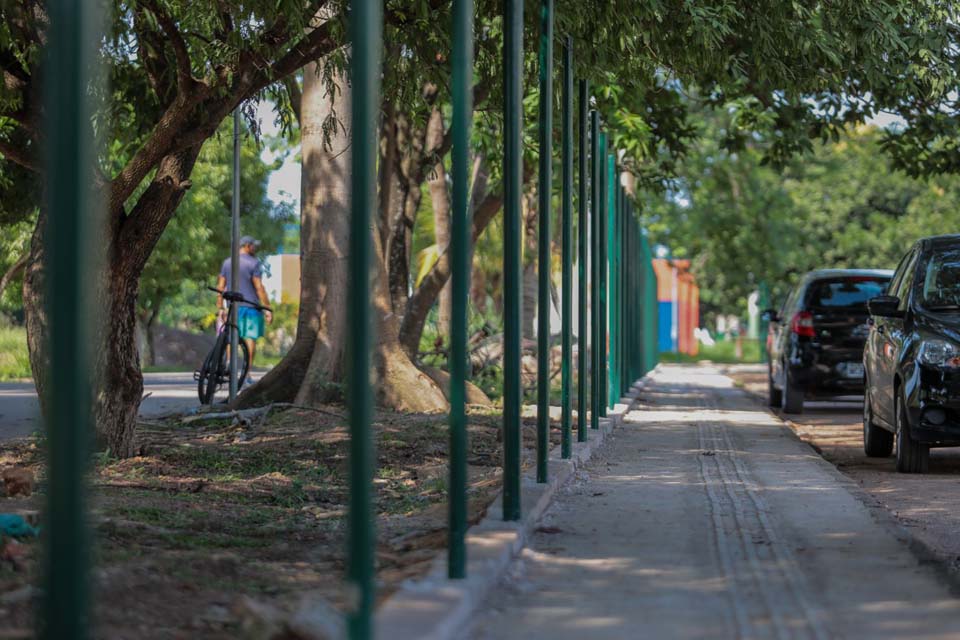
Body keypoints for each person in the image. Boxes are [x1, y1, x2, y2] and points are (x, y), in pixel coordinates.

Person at [216, 235, 272, 383]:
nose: (255, 248)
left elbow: (221, 286)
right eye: (254, 245)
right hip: (251, 306)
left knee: (230, 337)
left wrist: (220, 307)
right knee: (250, 337)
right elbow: (259, 287)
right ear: (247, 245)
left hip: (232, 307)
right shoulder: (254, 263)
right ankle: (246, 373)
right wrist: (267, 307)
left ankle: (229, 366)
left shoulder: (227, 263)